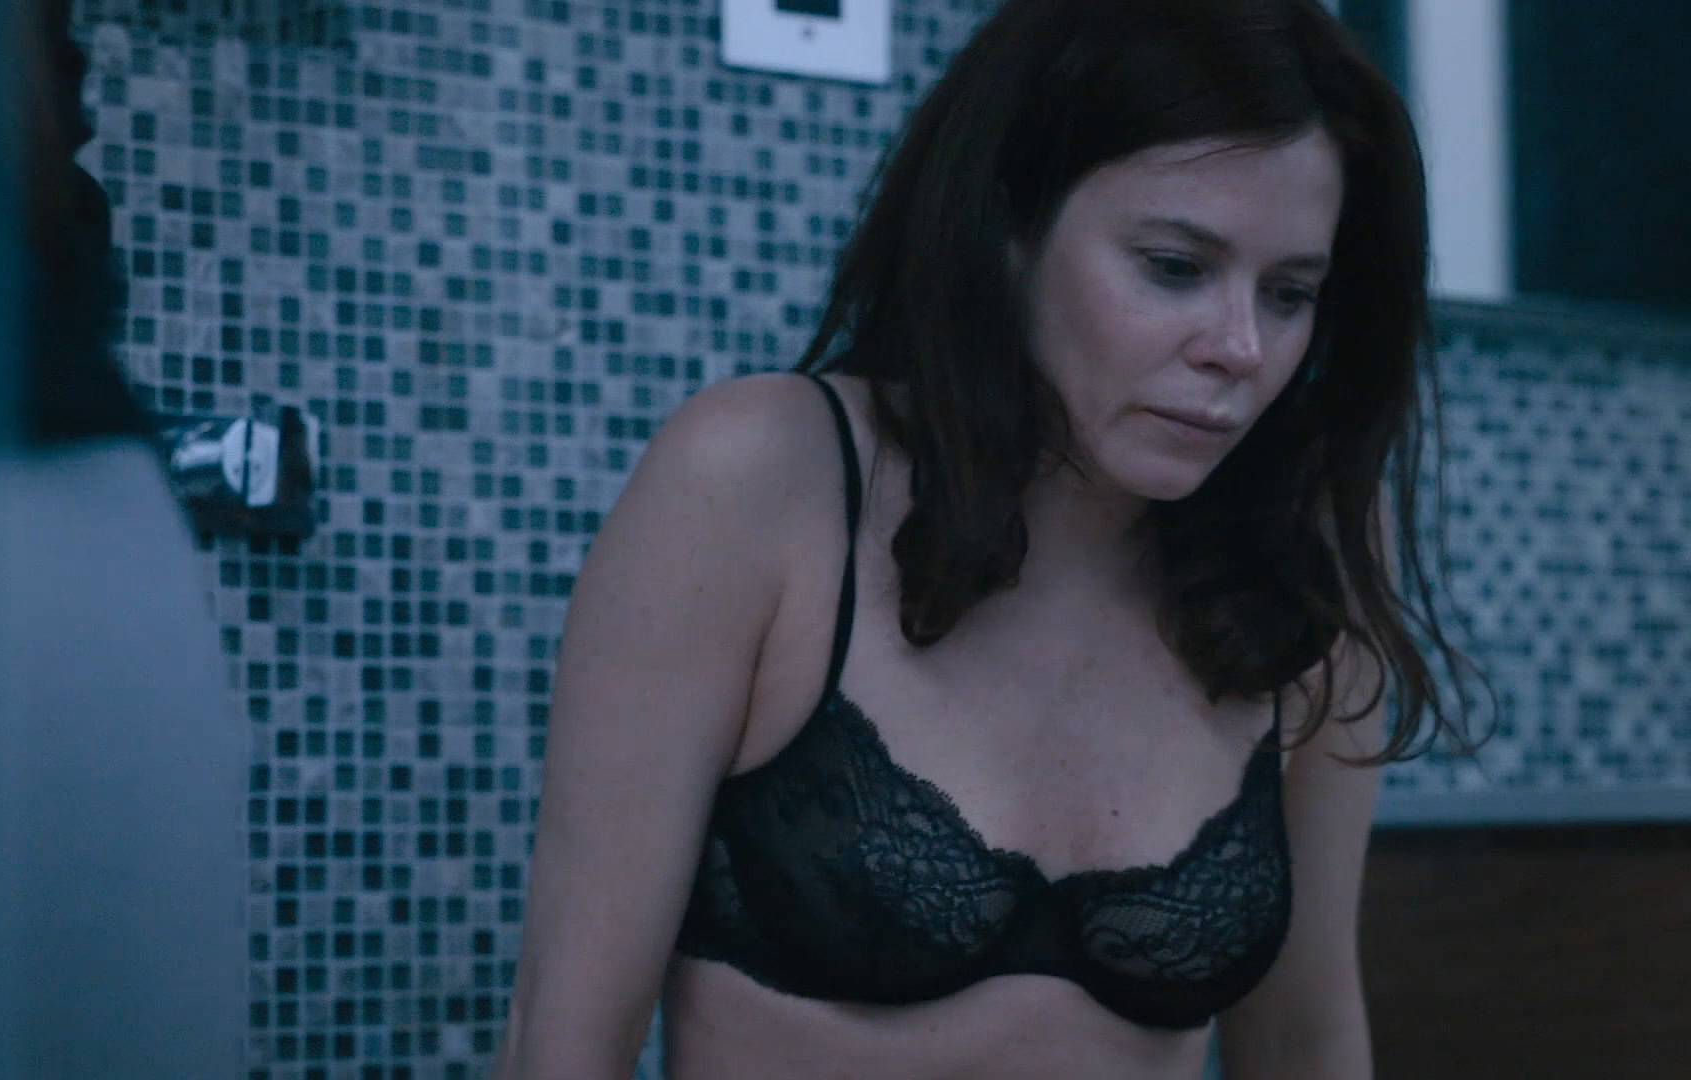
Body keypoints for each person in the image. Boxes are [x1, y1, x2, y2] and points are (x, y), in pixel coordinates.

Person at [493, 0, 1491, 1076]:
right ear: (1010, 224)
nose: (1240, 347)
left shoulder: (1305, 554)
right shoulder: (760, 480)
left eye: (1290, 293)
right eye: (1174, 267)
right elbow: (564, 1041)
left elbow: (1304, 1036)